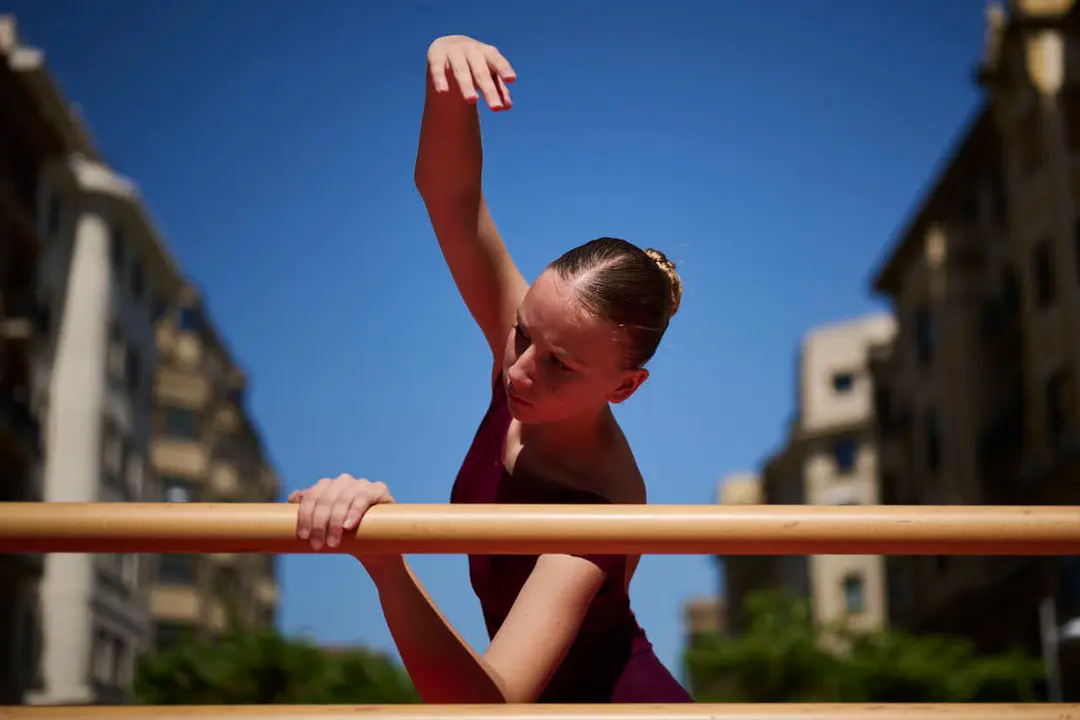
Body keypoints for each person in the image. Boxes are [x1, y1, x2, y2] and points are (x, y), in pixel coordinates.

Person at [289, 34, 693, 705]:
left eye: (560, 364)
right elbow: (450, 196)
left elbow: (492, 702)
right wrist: (444, 73)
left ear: (624, 388)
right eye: (520, 333)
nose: (520, 372)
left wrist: (386, 564)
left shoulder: (603, 505)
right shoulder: (525, 355)